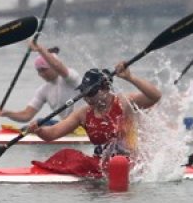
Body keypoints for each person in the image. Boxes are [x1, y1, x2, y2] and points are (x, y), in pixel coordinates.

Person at [26, 64, 162, 177]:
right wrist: (39, 130)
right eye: (84, 93)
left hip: (130, 164)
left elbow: (155, 96)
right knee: (65, 154)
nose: (87, 98)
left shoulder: (124, 102)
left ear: (105, 89)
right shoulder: (83, 114)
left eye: (91, 93)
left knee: (117, 163)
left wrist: (130, 77)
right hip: (101, 165)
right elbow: (53, 134)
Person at [0, 42, 81, 124]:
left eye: (44, 70)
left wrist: (40, 49)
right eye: (39, 71)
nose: (41, 74)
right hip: (67, 126)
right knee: (35, 124)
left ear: (52, 66)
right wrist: (7, 113)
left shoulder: (71, 78)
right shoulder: (43, 90)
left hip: (84, 124)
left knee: (39, 124)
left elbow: (58, 66)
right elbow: (26, 115)